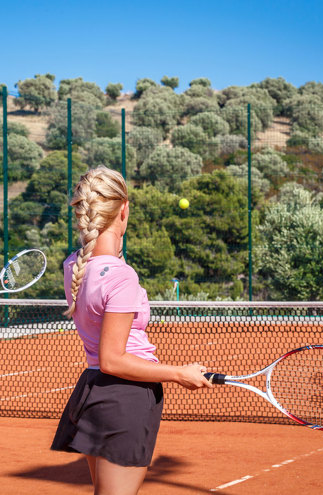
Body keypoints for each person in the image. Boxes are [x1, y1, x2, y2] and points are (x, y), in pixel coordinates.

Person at [51, 166, 213, 494]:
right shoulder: (121, 277)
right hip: (125, 399)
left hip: (93, 390)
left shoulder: (73, 266)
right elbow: (114, 359)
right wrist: (179, 373)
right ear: (124, 209)